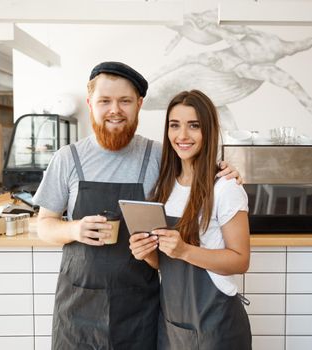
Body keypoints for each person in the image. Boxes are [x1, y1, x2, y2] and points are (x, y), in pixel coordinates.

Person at [33, 62, 240, 350]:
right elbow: (44, 226)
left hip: (139, 309)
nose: (114, 110)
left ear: (139, 105)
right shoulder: (67, 159)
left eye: (125, 101)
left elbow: (195, 165)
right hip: (78, 308)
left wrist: (224, 169)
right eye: (105, 101)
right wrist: (75, 229)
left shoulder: (158, 156)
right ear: (91, 103)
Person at [130, 89, 252, 349]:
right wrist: (147, 253)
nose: (182, 135)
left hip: (216, 327)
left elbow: (240, 261)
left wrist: (184, 250)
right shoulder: (164, 188)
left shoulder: (225, 187)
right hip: (173, 325)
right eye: (175, 126)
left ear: (208, 130)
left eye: (193, 126)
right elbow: (165, 263)